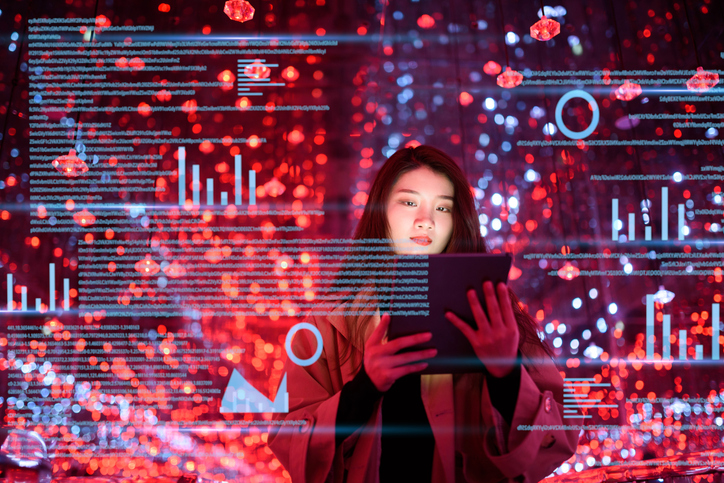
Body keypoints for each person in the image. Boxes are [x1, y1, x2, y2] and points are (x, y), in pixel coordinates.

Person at [268, 145, 581, 482]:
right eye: (409, 202)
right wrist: (364, 387)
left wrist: (507, 373)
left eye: (443, 207)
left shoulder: (497, 315)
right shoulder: (327, 323)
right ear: (379, 212)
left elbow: (559, 441)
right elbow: (288, 443)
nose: (426, 221)